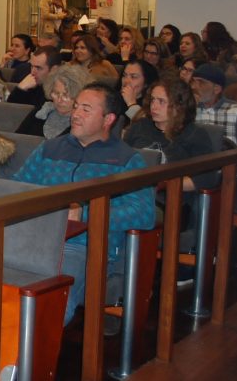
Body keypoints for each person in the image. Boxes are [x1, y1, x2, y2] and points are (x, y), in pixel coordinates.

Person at [12, 83, 155, 325]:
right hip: (35, 238)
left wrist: (86, 214)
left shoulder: (127, 160)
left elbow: (143, 213)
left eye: (86, 109)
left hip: (82, 246)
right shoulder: (50, 149)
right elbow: (17, 189)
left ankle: (22, 361)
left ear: (108, 118)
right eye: (76, 106)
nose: (76, 113)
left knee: (50, 302)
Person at [124, 77, 218, 190]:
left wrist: (165, 185)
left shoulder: (194, 134)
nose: (154, 106)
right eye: (153, 100)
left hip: (169, 199)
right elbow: (121, 159)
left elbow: (208, 177)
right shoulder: (140, 126)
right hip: (133, 192)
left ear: (179, 106)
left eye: (161, 101)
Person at [16, 64, 92, 139]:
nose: (59, 100)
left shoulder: (82, 123)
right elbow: (18, 138)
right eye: (56, 93)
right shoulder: (41, 111)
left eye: (66, 95)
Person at [190, 63, 237, 146]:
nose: (194, 87)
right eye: (193, 82)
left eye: (201, 82)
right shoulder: (187, 111)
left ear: (217, 89)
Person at [8, 45, 62, 110]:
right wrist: (20, 89)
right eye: (31, 66)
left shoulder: (60, 94)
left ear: (54, 70)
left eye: (38, 68)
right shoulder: (34, 85)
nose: (32, 72)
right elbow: (10, 111)